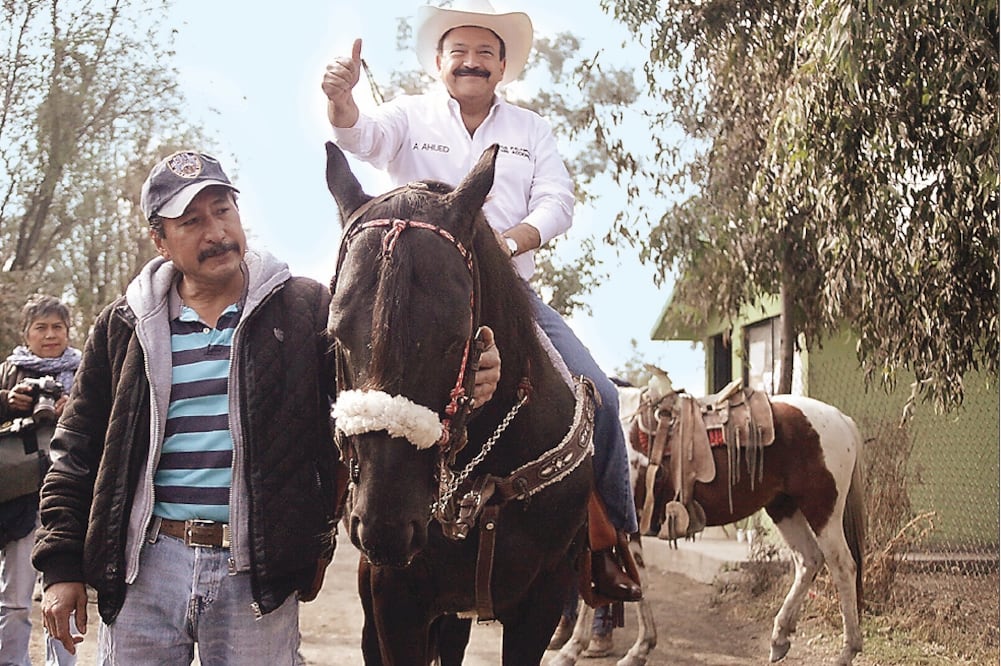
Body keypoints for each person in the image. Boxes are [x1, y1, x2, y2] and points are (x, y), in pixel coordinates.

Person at [29, 149, 504, 662]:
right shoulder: (121, 327)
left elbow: (377, 391)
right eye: (191, 221)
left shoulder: (307, 311)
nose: (215, 232)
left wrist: (472, 371)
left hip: (255, 573)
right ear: (160, 240)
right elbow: (75, 452)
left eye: (223, 211)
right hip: (145, 569)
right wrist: (60, 567)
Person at [321, 0, 641, 602]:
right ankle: (316, 527)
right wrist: (342, 101)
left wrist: (509, 239)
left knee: (598, 394)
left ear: (502, 66)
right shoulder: (407, 117)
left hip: (510, 293)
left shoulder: (529, 130)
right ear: (440, 61)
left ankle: (610, 542)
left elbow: (558, 200)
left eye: (485, 53)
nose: (472, 62)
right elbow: (360, 137)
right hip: (412, 299)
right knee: (329, 374)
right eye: (459, 52)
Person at [0, 294, 80, 666]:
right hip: (19, 497)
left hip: (70, 494)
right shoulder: (8, 372)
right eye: (41, 328)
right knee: (15, 597)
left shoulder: (87, 370)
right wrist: (6, 401)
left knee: (64, 591)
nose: (50, 335)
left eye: (58, 327)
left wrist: (75, 406)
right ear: (25, 334)